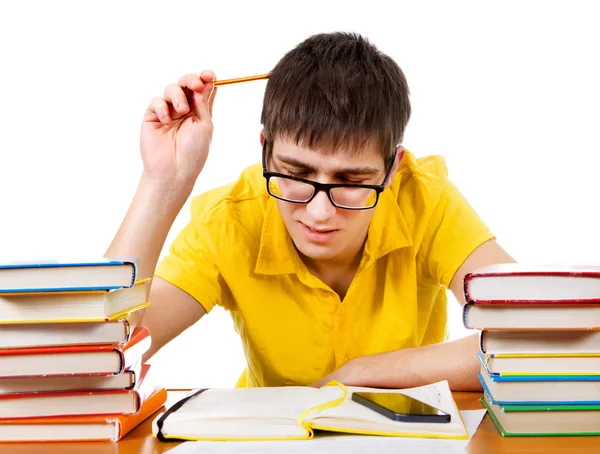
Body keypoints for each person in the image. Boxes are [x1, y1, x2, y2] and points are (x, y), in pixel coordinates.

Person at [105, 32, 514, 390]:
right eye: (296, 174)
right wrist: (163, 183)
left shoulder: (426, 199)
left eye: (352, 182)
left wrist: (368, 371)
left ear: (393, 169)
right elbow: (106, 352)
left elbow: (535, 332)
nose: (319, 213)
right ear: (265, 149)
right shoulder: (230, 218)